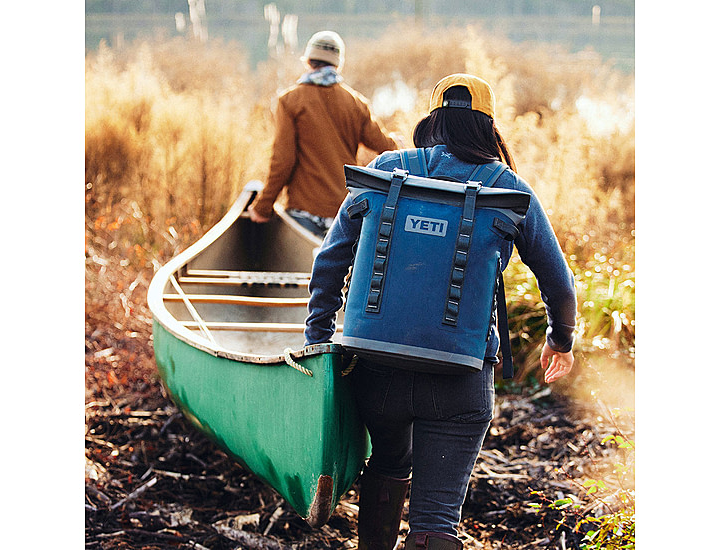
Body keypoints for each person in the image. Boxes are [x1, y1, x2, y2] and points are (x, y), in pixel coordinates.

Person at [304, 74, 578, 550]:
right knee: (436, 518)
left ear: (432, 121)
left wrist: (318, 338)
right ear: (488, 128)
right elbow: (559, 281)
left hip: (377, 372)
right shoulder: (508, 187)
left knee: (387, 463)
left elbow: (329, 260)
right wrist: (560, 339)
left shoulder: (387, 170)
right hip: (461, 379)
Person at [248, 30, 401, 237]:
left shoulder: (290, 101)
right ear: (338, 64)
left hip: (303, 212)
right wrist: (396, 142)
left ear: (308, 60)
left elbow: (283, 161)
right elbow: (384, 147)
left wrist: (263, 207)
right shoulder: (356, 103)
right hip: (344, 213)